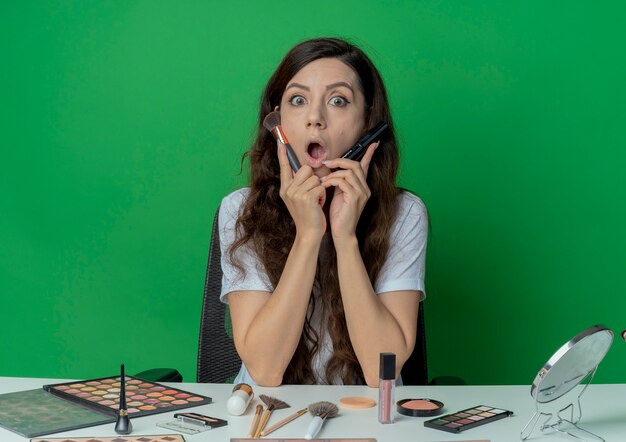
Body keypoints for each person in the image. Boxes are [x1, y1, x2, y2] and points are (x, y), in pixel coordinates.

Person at [219, 37, 427, 387]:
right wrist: (308, 235)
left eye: (338, 101)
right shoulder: (240, 209)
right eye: (298, 100)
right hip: (267, 413)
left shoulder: (404, 213)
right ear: (278, 122)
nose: (315, 118)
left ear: (367, 123)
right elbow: (266, 371)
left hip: (370, 414)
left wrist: (345, 239)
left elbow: (382, 373)